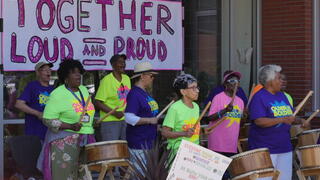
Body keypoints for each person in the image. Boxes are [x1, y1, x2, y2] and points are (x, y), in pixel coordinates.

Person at [37, 59, 95, 180]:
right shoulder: (58, 94)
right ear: (65, 77)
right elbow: (47, 119)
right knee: (64, 176)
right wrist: (70, 126)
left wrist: (92, 122)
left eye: (79, 72)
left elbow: (85, 112)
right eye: (73, 72)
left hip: (84, 140)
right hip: (64, 142)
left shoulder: (84, 90)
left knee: (82, 175)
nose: (78, 75)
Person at [248, 64, 308, 180]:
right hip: (264, 149)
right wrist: (281, 119)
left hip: (284, 147)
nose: (282, 81)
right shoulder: (259, 97)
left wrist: (301, 121)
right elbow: (259, 121)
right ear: (269, 81)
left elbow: (291, 116)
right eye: (278, 78)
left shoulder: (282, 96)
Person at [207, 71, 244, 180]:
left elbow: (239, 124)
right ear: (226, 85)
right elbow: (209, 118)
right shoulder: (218, 98)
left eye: (237, 81)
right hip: (218, 143)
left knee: (229, 176)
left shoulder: (240, 101)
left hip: (231, 144)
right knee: (217, 175)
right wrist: (224, 111)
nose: (235, 83)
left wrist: (245, 117)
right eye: (232, 81)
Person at [124, 61, 159, 172]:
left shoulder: (144, 93)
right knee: (140, 174)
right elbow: (128, 118)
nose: (153, 78)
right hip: (139, 142)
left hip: (148, 141)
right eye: (151, 75)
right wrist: (149, 120)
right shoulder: (134, 94)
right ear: (142, 76)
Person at [161, 74, 200, 158]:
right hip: (178, 153)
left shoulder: (196, 107)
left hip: (194, 152)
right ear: (183, 92)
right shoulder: (175, 108)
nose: (197, 91)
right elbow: (164, 133)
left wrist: (204, 131)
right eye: (193, 88)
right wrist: (184, 133)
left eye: (197, 87)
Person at [94, 54, 131, 141]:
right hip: (110, 120)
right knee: (112, 149)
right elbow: (97, 102)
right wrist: (114, 113)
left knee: (124, 149)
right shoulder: (106, 80)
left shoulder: (126, 78)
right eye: (120, 62)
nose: (123, 64)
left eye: (124, 62)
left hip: (125, 119)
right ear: (113, 65)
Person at [15, 62, 54, 141]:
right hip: (35, 132)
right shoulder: (32, 86)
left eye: (49, 69)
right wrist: (38, 113)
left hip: (50, 133)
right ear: (38, 73)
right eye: (45, 70)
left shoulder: (53, 89)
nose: (48, 71)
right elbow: (19, 104)